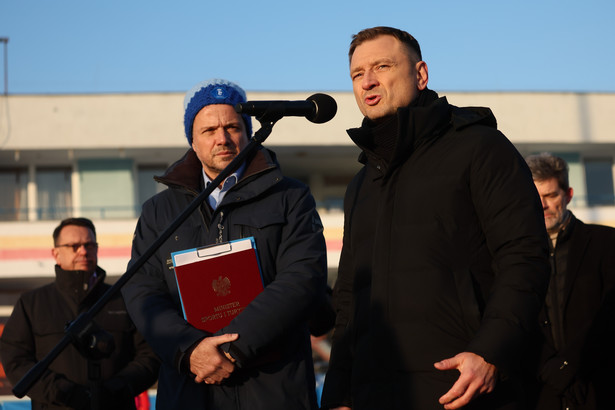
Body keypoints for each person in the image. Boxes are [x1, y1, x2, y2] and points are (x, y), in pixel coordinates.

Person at [320, 26, 551, 410]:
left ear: (421, 74)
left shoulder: (480, 147)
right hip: (374, 393)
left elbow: (524, 256)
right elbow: (349, 297)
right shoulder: (361, 184)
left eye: (382, 66)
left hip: (462, 387)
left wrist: (491, 353)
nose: (368, 81)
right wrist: (338, 394)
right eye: (358, 74)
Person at [121, 78, 328, 409]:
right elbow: (141, 292)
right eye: (209, 130)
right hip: (191, 389)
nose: (222, 138)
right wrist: (189, 350)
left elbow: (302, 279)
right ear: (192, 139)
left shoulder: (290, 196)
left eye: (232, 127)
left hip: (274, 388)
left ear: (247, 131)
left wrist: (232, 348)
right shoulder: (158, 211)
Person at [0, 217, 160, 410]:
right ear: (56, 253)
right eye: (74, 246)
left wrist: (115, 389)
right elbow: (15, 360)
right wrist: (63, 391)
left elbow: (149, 356)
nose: (83, 251)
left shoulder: (124, 298)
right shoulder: (32, 303)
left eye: (89, 245)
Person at [525, 153, 615, 410]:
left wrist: (570, 365)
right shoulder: (509, 256)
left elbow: (610, 312)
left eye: (551, 195)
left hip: (598, 387)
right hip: (540, 393)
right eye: (535, 197)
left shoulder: (607, 243)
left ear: (569, 194)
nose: (542, 205)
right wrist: (549, 366)